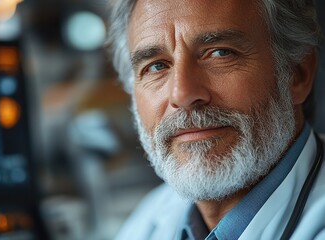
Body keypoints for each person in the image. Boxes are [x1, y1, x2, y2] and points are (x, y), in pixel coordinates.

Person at [107, 0, 325, 239]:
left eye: (220, 53)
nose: (182, 94)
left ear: (297, 74)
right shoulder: (148, 219)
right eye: (156, 66)